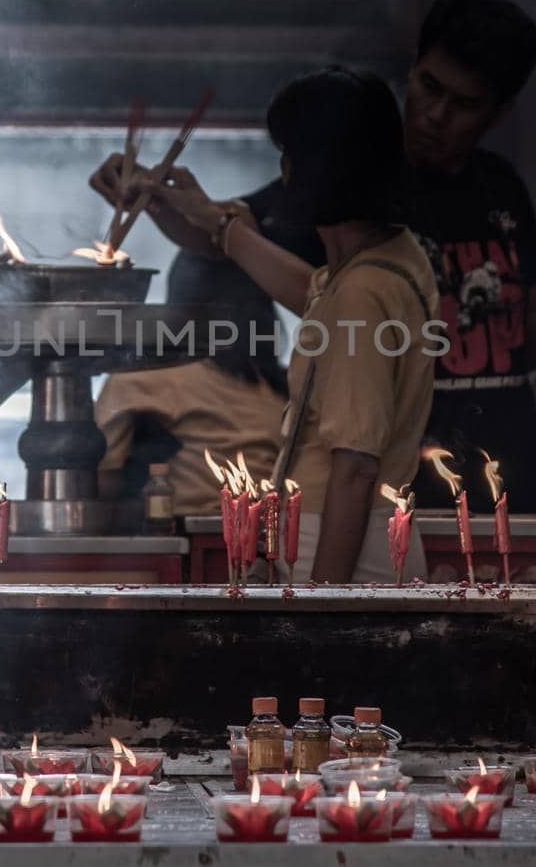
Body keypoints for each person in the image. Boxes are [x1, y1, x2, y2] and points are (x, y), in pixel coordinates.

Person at [91, 0, 536, 516]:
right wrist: (153, 199)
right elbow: (224, 234)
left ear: (500, 111)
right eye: (429, 86)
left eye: (464, 104)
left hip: (510, 486)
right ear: (413, 70)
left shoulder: (502, 189)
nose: (436, 115)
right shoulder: (359, 184)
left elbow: (527, 340)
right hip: (406, 495)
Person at [140, 67, 440, 582]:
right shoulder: (391, 259)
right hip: (358, 534)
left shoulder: (361, 293)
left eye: (289, 154)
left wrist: (323, 609)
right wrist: (212, 219)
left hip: (342, 543)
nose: (282, 171)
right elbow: (312, 293)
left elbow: (355, 469)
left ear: (316, 168)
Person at [95, 250, 287, 517]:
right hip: (269, 538)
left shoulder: (144, 378)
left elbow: (101, 483)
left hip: (185, 543)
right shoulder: (286, 387)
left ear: (179, 306)